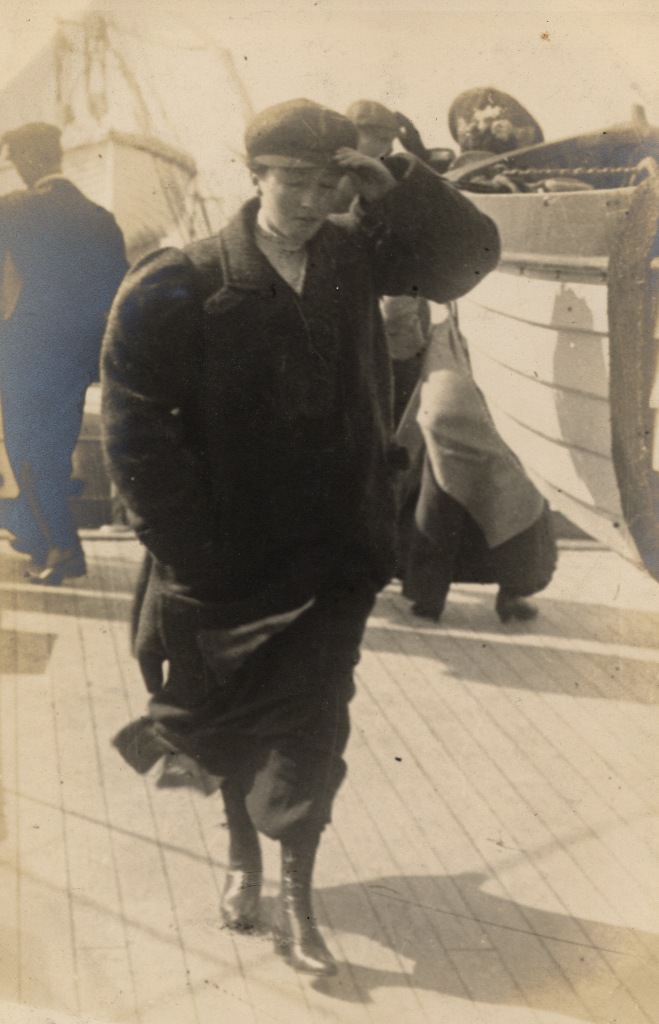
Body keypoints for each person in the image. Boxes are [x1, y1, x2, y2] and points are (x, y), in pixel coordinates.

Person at [101, 97, 499, 976]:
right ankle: (242, 860)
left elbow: (467, 257)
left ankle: (297, 898)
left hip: (331, 552)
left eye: (330, 182)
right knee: (235, 720)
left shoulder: (357, 258)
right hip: (218, 560)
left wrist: (392, 180)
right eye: (295, 180)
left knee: (311, 727)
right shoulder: (182, 279)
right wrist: (187, 550)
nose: (313, 199)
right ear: (254, 175)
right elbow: (136, 430)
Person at [0, 122, 128, 584]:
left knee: (28, 453)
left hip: (24, 354)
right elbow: (119, 291)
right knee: (53, 450)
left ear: (30, 160)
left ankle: (61, 547)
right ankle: (34, 534)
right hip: (77, 359)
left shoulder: (12, 209)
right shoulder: (100, 217)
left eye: (14, 162)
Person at [397, 307, 557, 623]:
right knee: (518, 484)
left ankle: (428, 595)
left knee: (442, 486)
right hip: (513, 369)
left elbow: (396, 314)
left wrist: (419, 344)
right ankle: (515, 590)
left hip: (452, 369)